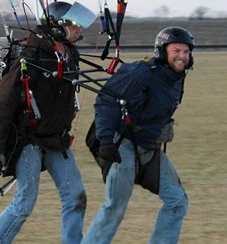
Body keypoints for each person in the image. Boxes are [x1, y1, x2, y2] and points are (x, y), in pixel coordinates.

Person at [0, 1, 95, 244]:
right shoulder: (31, 55)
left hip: (56, 140)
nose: (79, 30)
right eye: (74, 26)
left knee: (75, 197)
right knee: (24, 204)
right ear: (57, 27)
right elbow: (1, 102)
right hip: (28, 140)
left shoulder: (70, 54)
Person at [83, 26, 195, 244]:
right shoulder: (140, 72)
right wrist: (106, 141)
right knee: (114, 208)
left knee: (177, 201)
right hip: (122, 147)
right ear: (162, 51)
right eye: (177, 51)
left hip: (149, 148)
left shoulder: (177, 77)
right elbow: (106, 102)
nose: (182, 56)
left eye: (186, 52)